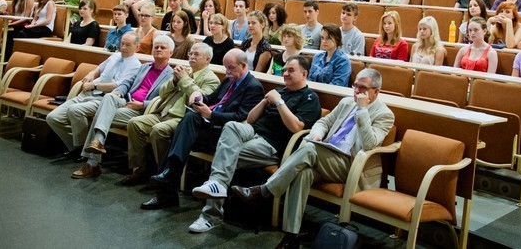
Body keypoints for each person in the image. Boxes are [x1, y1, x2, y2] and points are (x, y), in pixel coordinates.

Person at [230, 68, 394, 249]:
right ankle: (291, 237)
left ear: (376, 92)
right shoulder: (347, 102)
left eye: (362, 88)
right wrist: (317, 134)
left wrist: (362, 111)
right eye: (355, 86)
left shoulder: (384, 115)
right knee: (303, 173)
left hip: (352, 166)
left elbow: (369, 144)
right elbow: (324, 122)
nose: (356, 91)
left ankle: (265, 190)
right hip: (326, 156)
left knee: (309, 149)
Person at [187, 55, 322, 234]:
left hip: (272, 143)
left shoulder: (310, 97)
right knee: (231, 126)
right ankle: (217, 184)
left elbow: (296, 127)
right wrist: (266, 100)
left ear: (304, 73)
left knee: (225, 154)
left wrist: (279, 102)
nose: (286, 74)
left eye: (291, 70)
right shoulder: (279, 91)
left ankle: (210, 216)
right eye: (285, 70)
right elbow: (250, 119)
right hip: (252, 131)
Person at [142, 48, 265, 209]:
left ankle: (168, 183)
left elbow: (242, 117)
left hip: (225, 136)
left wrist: (211, 115)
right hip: (208, 128)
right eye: (225, 67)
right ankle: (169, 176)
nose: (227, 72)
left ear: (243, 65)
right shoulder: (229, 80)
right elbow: (212, 98)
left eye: (231, 68)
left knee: (182, 130)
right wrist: (199, 98)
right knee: (188, 119)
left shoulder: (253, 87)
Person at [71, 35, 174, 179]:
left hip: (142, 111)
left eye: (162, 48)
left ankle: (92, 162)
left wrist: (142, 105)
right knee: (109, 97)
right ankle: (97, 144)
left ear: (171, 53)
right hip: (125, 102)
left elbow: (165, 100)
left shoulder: (171, 75)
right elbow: (127, 82)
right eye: (156, 47)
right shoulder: (144, 67)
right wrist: (119, 92)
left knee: (102, 114)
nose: (158, 50)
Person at [122, 42, 220, 187]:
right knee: (135, 123)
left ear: (207, 59)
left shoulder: (211, 79)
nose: (192, 57)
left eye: (196, 54)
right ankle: (140, 169)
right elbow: (162, 92)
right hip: (163, 112)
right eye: (191, 53)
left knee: (158, 130)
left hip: (183, 118)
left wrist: (184, 79)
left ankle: (164, 173)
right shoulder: (184, 70)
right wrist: (174, 80)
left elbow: (200, 100)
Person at [48, 32, 142, 160]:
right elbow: (99, 69)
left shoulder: (136, 65)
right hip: (87, 92)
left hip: (104, 97)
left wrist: (95, 86)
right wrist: (91, 75)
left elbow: (118, 86)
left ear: (137, 47)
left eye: (128, 45)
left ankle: (82, 151)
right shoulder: (114, 56)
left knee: (74, 111)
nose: (123, 47)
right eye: (122, 44)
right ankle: (77, 146)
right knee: (52, 117)